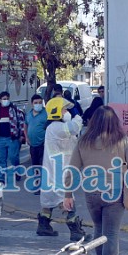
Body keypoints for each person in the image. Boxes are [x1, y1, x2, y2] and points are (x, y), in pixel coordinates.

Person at [65, 106, 128, 255]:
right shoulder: (122, 141)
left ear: (93, 122)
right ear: (114, 122)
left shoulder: (83, 141)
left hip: (91, 192)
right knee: (111, 233)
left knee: (99, 229)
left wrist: (67, 194)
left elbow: (72, 170)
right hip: (115, 193)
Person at [37, 97, 89, 241]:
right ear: (57, 112)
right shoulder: (56, 127)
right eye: (65, 110)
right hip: (59, 171)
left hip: (54, 169)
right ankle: (76, 231)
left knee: (49, 199)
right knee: (65, 199)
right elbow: (75, 127)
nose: (67, 112)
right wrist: (76, 113)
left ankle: (43, 225)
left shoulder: (56, 128)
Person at [0, 91, 26, 182]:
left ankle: (17, 172)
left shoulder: (15, 109)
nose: (6, 100)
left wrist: (21, 135)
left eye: (7, 99)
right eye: (4, 99)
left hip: (12, 138)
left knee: (14, 157)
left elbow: (21, 123)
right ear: (0, 100)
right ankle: (2, 178)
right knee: (1, 159)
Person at [24, 94, 47, 195]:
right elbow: (25, 125)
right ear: (32, 104)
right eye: (36, 103)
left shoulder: (46, 113)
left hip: (43, 144)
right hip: (32, 145)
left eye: (40, 103)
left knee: (43, 165)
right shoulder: (29, 114)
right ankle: (37, 184)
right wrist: (26, 137)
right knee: (35, 165)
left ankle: (43, 186)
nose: (38, 105)